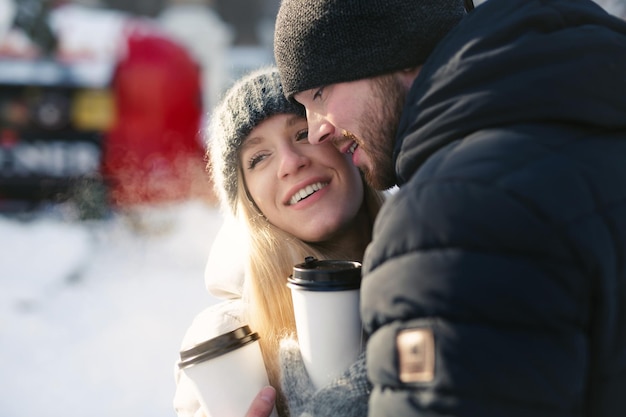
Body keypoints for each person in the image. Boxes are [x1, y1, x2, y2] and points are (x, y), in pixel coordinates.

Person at [273, 0, 626, 416]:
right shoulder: (592, 126)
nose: (317, 132)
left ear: (395, 51)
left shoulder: (449, 220)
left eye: (319, 93)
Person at [173, 67, 386, 417]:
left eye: (303, 133)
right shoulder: (229, 341)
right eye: (259, 158)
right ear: (249, 202)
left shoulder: (443, 268)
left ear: (348, 142)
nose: (290, 163)